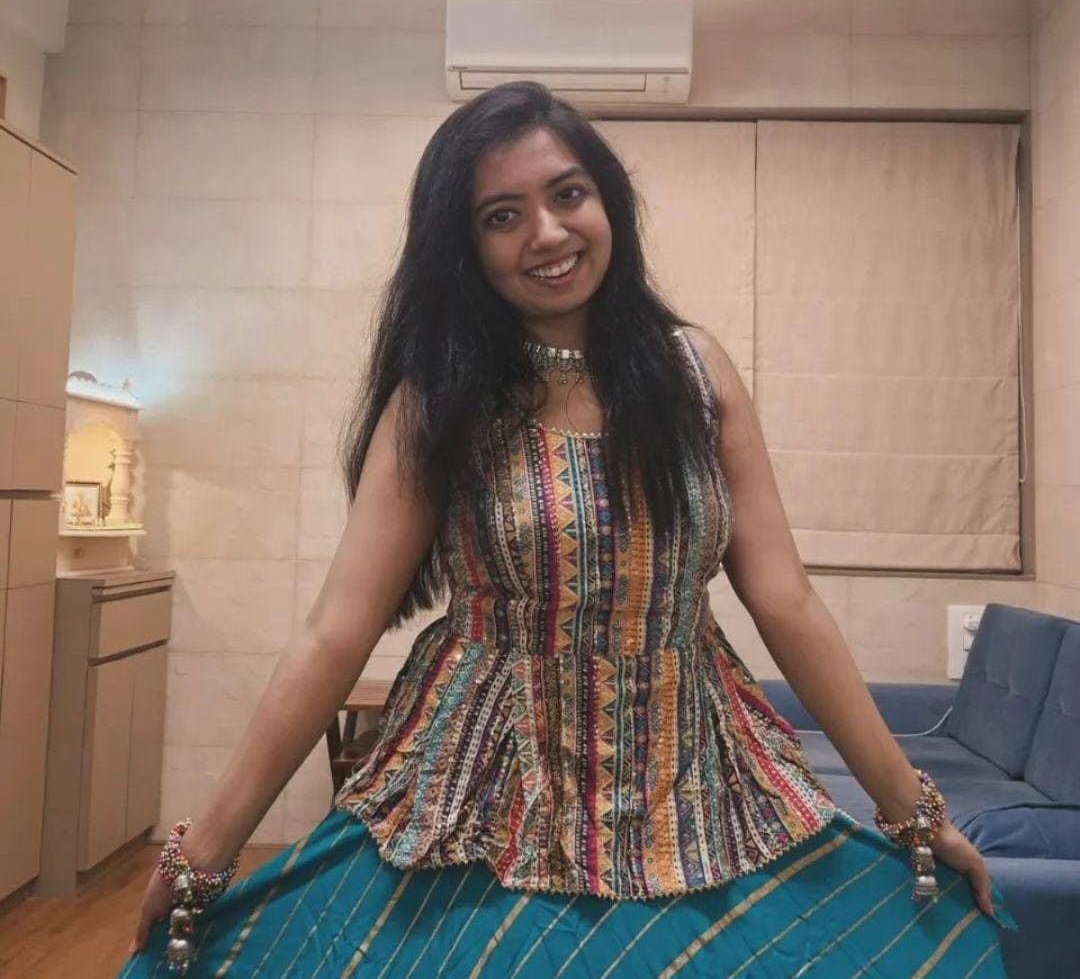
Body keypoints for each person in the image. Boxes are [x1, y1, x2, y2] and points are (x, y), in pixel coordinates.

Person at [121, 81, 1017, 978]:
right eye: (502, 215)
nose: (547, 233)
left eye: (568, 194)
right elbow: (335, 629)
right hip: (480, 793)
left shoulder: (696, 373)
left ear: (606, 200)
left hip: (694, 784)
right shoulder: (439, 399)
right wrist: (204, 849)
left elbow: (787, 599)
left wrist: (915, 814)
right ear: (465, 246)